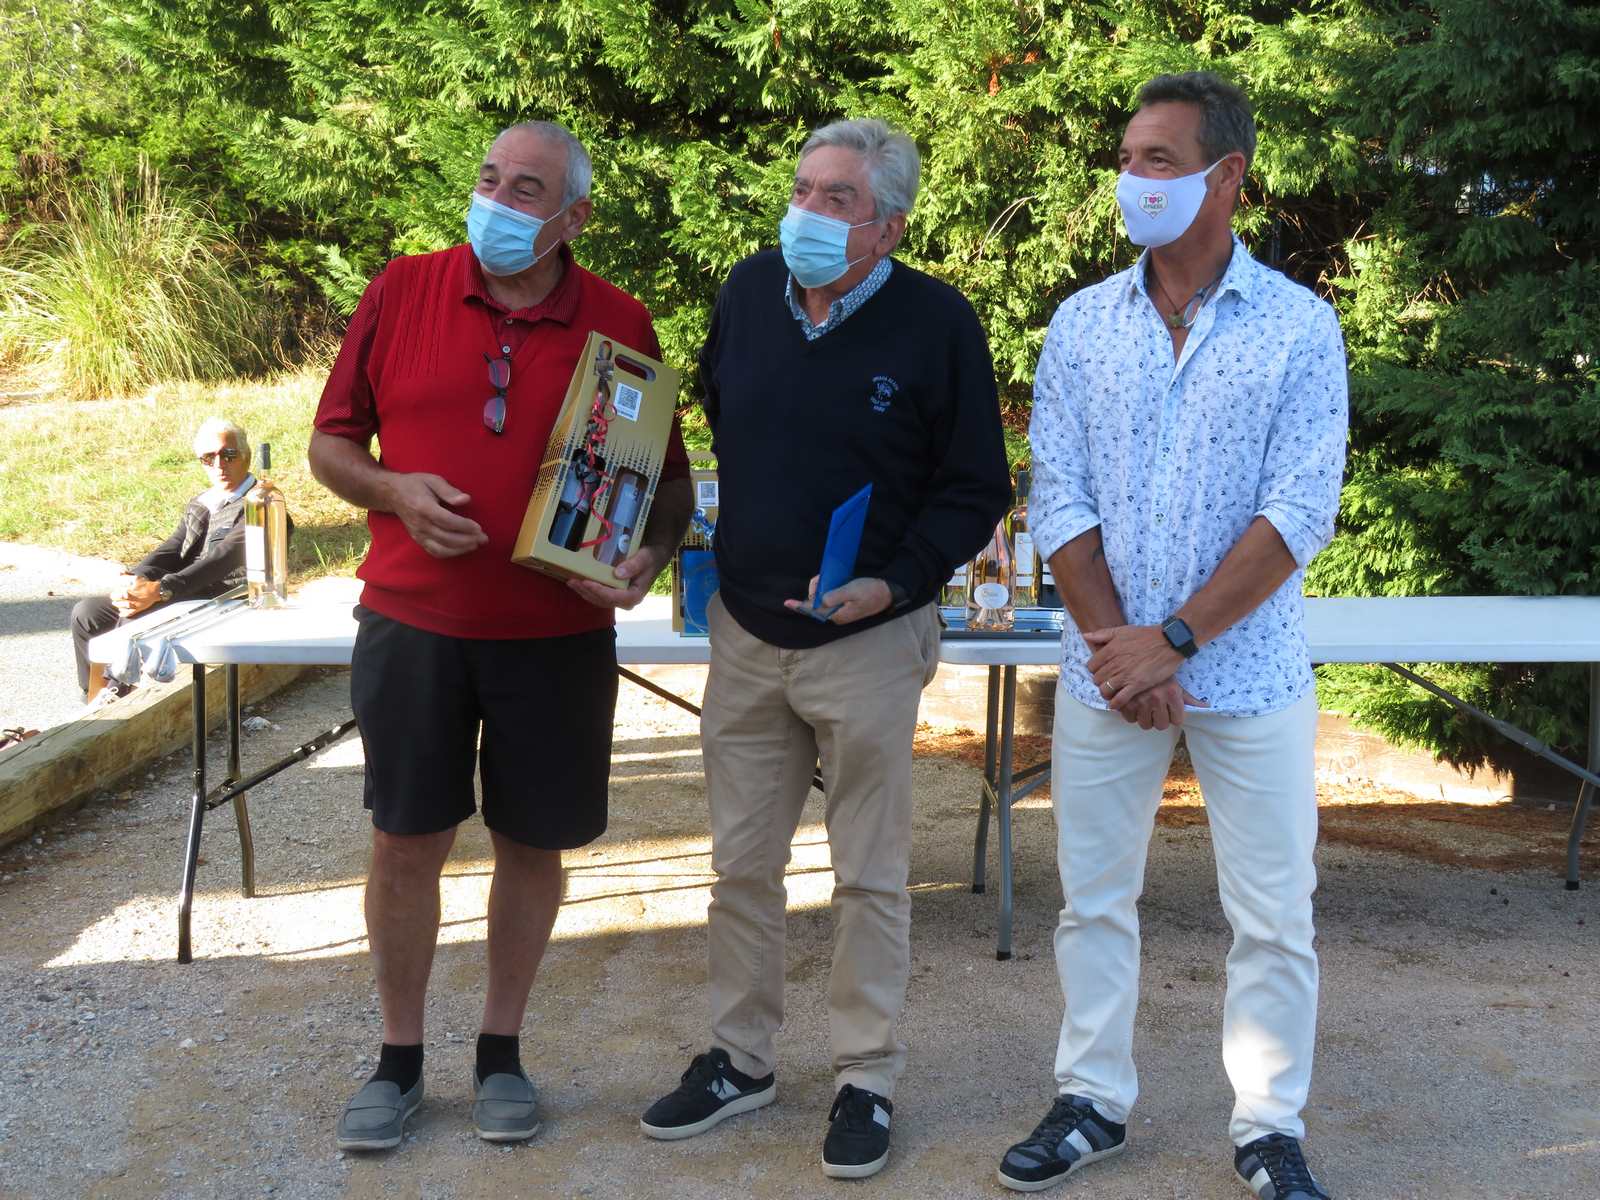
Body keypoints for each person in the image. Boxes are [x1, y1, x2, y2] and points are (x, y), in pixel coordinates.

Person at [309, 119, 693, 1152]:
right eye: (488, 177)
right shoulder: (402, 288)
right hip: (412, 624)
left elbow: (666, 487)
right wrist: (392, 489)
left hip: (556, 637)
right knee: (405, 842)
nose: (496, 201)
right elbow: (330, 445)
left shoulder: (619, 320)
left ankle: (500, 1051)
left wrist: (646, 559)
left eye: (525, 189)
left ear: (574, 217)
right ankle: (397, 1061)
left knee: (533, 843)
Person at [996, 73, 1348, 1199]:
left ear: (1226, 175)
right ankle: (1090, 1101)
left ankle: (1269, 1127)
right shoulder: (1082, 323)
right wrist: (1123, 648)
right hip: (1109, 670)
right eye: (1128, 158)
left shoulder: (1298, 325)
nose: (1132, 178)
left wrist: (1178, 640)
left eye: (1159, 159)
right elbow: (1059, 498)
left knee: (1274, 914)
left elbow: (1300, 509)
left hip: (1250, 668)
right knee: (1093, 899)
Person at [639, 117, 1011, 1180]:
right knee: (740, 868)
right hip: (747, 633)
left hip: (869, 640)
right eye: (801, 189)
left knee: (870, 876)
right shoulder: (749, 290)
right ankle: (740, 1059)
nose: (804, 212)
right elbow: (720, 418)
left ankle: (866, 1078)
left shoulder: (937, 322)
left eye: (835, 199)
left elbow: (975, 487)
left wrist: (895, 580)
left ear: (888, 226)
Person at [69, 417, 259, 703]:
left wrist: (160, 590)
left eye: (228, 455)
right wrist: (135, 580)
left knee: (136, 611)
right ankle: (92, 698)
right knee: (87, 614)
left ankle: (115, 693)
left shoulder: (261, 504)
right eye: (209, 458)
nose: (219, 465)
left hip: (224, 599)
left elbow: (223, 559)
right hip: (183, 592)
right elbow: (172, 549)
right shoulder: (204, 502)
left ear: (246, 456)